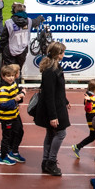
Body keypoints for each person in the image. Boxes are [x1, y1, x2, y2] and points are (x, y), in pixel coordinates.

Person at [33, 41, 70, 176]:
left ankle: (46, 161)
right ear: (56, 54)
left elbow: (58, 89)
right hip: (54, 108)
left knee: (51, 134)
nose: (63, 55)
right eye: (62, 53)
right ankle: (51, 162)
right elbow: (49, 94)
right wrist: (53, 116)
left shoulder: (55, 67)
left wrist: (65, 100)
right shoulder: (50, 71)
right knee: (60, 133)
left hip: (58, 104)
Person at [0, 64, 26, 166]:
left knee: (19, 132)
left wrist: (22, 93)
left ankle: (14, 151)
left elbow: (17, 94)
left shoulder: (13, 84)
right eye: (8, 76)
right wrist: (15, 99)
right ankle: (3, 156)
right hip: (6, 117)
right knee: (7, 137)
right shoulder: (3, 89)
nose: (11, 78)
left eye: (12, 75)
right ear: (3, 76)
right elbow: (3, 105)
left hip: (15, 114)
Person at [71, 79, 95, 159]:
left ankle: (78, 147)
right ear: (93, 90)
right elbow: (88, 109)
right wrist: (89, 101)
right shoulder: (89, 99)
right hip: (94, 121)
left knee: (93, 136)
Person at [0, 5, 31, 77]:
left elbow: (4, 38)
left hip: (10, 49)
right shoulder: (29, 21)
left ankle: (9, 86)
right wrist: (40, 18)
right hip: (23, 50)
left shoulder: (8, 22)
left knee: (9, 71)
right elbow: (36, 22)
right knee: (18, 71)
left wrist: (0, 50)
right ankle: (16, 85)